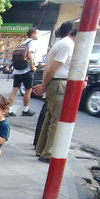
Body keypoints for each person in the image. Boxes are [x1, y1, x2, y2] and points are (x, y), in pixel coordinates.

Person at [33, 22, 76, 163]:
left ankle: (41, 149)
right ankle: (48, 153)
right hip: (58, 83)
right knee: (55, 120)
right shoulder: (67, 45)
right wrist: (44, 85)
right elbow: (52, 69)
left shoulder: (62, 43)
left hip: (55, 83)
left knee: (49, 118)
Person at [6, 27, 39, 117]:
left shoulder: (22, 43)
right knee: (28, 90)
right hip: (26, 70)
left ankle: (9, 109)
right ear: (32, 34)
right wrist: (32, 66)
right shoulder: (31, 43)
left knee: (14, 90)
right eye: (37, 33)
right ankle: (25, 109)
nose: (38, 35)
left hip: (17, 70)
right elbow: (30, 55)